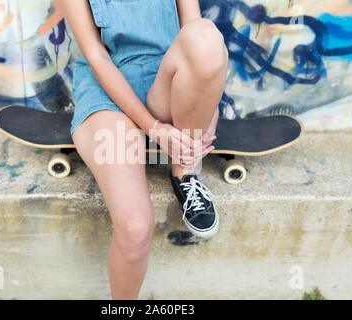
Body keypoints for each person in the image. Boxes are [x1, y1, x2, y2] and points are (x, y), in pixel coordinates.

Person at [57, 0, 228, 299]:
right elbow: (97, 56)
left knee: (206, 36)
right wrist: (154, 128)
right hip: (107, 86)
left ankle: (185, 170)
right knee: (135, 230)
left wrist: (208, 108)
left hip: (165, 79)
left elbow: (196, 37)